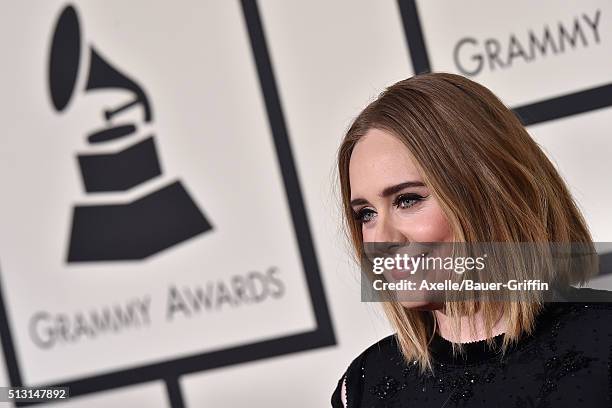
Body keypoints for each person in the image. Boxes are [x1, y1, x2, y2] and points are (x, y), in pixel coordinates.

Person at [331, 72, 612, 407]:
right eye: (366, 214)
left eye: (407, 200)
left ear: (488, 193)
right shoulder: (365, 383)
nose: (382, 238)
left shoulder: (602, 341)